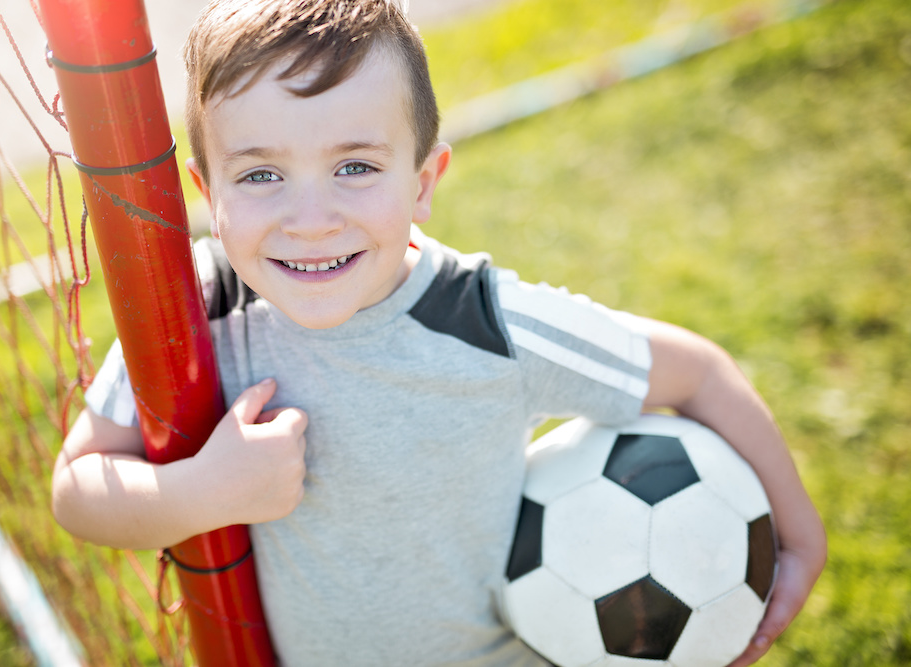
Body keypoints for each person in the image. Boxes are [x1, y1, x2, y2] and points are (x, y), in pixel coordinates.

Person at [51, 0, 826, 665]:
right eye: (260, 174)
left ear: (423, 182)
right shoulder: (197, 308)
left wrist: (798, 539)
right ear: (206, 190)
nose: (310, 219)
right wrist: (202, 490)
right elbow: (78, 489)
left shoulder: (487, 321)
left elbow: (698, 372)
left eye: (355, 166)